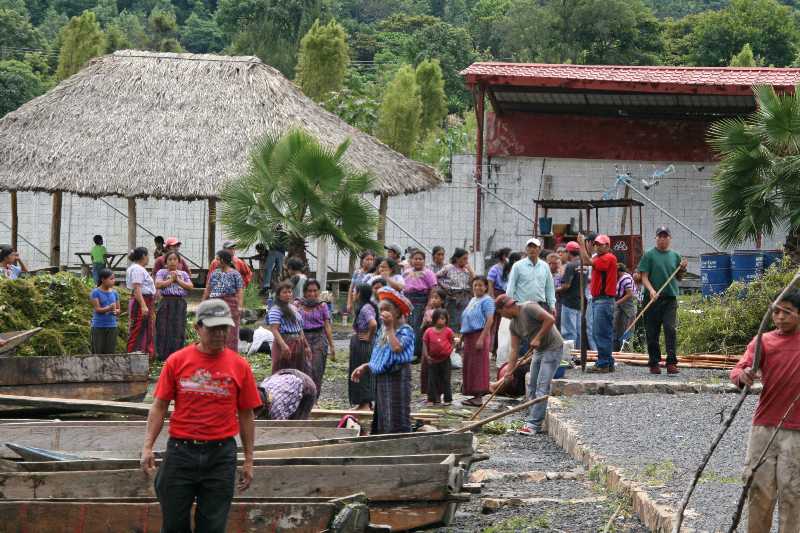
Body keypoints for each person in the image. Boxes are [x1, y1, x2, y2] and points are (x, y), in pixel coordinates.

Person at [140, 299, 261, 533]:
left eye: (224, 328)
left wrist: (248, 459)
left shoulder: (240, 366)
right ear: (197, 328)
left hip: (220, 456)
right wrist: (147, 447)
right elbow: (159, 406)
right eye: (213, 328)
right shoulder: (177, 361)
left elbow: (246, 415)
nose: (220, 334)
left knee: (213, 526)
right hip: (180, 453)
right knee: (174, 525)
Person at [730, 290, 800, 533]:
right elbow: (740, 369)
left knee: (793, 493)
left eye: (787, 311)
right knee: (758, 490)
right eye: (776, 311)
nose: (780, 317)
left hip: (797, 431)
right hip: (764, 426)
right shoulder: (764, 341)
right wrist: (743, 375)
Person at [495, 294, 564, 436]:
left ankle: (534, 424)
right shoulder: (513, 325)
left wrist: (538, 338)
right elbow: (514, 349)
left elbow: (550, 319)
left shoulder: (529, 307)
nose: (502, 316)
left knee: (542, 385)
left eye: (500, 313)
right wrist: (509, 372)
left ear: (506, 308)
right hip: (539, 350)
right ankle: (533, 419)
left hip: (552, 347)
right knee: (532, 385)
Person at [351, 288, 415, 434]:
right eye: (381, 310)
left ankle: (399, 438)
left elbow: (396, 348)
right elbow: (378, 354)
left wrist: (390, 328)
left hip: (398, 375)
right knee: (384, 409)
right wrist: (365, 366)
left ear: (398, 312)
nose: (383, 313)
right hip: (383, 376)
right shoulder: (382, 331)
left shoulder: (406, 330)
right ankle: (383, 435)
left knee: (397, 409)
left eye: (388, 309)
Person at [637, 226, 688, 375]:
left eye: (665, 236)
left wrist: (683, 268)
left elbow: (678, 277)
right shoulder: (649, 255)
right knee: (652, 332)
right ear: (656, 238)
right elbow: (644, 276)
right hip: (651, 299)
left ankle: (671, 362)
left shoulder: (676, 256)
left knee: (670, 329)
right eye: (660, 236)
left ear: (670, 239)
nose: (663, 239)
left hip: (670, 299)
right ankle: (654, 363)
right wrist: (652, 290)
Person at [578, 233, 617, 372]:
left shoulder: (608, 257)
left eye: (601, 244)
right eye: (596, 244)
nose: (598, 247)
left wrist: (581, 245)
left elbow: (587, 261)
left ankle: (603, 363)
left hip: (604, 300)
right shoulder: (600, 258)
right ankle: (608, 361)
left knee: (600, 332)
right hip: (600, 300)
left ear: (608, 246)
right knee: (601, 332)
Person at [296, 279, 335, 399]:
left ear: (318, 292)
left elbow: (327, 325)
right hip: (303, 337)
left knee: (317, 369)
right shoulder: (297, 305)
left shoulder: (322, 306)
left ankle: (314, 399)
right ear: (304, 292)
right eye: (309, 291)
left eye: (315, 291)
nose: (312, 294)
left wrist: (332, 345)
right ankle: (302, 398)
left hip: (319, 338)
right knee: (303, 368)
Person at [459, 276, 495, 406]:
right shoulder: (473, 299)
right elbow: (466, 319)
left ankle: (479, 396)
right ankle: (472, 393)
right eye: (475, 285)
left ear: (485, 287)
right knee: (470, 365)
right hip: (469, 336)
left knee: (478, 366)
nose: (478, 288)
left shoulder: (487, 301)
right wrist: (462, 338)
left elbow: (490, 320)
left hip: (479, 335)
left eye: (480, 285)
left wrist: (482, 338)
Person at [202, 250, 244, 352]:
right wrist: (203, 303)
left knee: (231, 329)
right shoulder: (214, 273)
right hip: (215, 303)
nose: (216, 261)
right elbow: (208, 289)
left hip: (230, 304)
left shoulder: (235, 274)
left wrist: (239, 306)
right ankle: (214, 349)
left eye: (217, 259)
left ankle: (230, 352)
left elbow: (240, 291)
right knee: (215, 326)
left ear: (223, 260)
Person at [155, 251, 194, 361]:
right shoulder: (162, 272)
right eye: (170, 259)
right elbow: (158, 284)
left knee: (178, 327)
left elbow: (190, 286)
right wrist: (171, 280)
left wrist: (177, 280)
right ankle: (162, 355)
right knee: (163, 327)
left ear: (179, 262)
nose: (172, 262)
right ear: (166, 262)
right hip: (166, 302)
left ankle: (177, 355)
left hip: (179, 303)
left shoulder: (183, 274)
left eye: (175, 259)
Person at [268, 281, 311, 375]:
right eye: (284, 292)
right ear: (278, 295)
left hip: (298, 342)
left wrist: (306, 346)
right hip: (284, 341)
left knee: (298, 371)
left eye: (289, 292)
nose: (288, 294)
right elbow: (274, 330)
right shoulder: (275, 310)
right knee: (282, 371)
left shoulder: (294, 308)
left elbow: (299, 328)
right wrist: (284, 346)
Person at [403, 249, 438, 360]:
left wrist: (429, 304)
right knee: (407, 326)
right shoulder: (406, 272)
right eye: (415, 259)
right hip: (407, 300)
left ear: (424, 260)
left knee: (417, 327)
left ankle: (416, 353)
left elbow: (433, 289)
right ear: (411, 260)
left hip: (421, 301)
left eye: (420, 259)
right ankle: (407, 351)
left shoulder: (428, 273)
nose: (418, 261)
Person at [506, 238, 556, 312]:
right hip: (522, 305)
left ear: (539, 249)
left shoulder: (545, 266)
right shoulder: (517, 266)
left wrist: (552, 305)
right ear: (526, 249)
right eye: (529, 247)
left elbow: (549, 287)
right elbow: (511, 286)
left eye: (535, 247)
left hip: (540, 306)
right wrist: (509, 304)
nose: (532, 249)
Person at [349, 284, 377, 410]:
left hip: (363, 344)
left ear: (360, 293)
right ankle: (361, 402)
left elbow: (373, 324)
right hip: (359, 341)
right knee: (356, 370)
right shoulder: (361, 307)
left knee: (363, 372)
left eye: (355, 291)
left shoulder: (366, 308)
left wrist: (369, 337)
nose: (353, 294)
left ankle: (366, 402)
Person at [126, 247, 155, 356]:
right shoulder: (137, 269)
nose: (148, 259)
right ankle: (132, 355)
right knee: (137, 328)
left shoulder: (137, 268)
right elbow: (137, 288)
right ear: (144, 256)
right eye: (148, 256)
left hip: (145, 300)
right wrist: (143, 305)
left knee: (145, 328)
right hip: (141, 301)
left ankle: (143, 354)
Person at [437, 248, 474, 331]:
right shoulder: (449, 267)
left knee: (463, 321)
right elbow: (437, 277)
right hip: (452, 299)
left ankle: (461, 341)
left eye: (467, 259)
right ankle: (452, 340)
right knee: (453, 321)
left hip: (465, 299)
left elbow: (473, 282)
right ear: (457, 259)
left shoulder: (467, 270)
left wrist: (471, 271)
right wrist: (445, 287)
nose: (466, 261)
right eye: (464, 258)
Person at [422, 309, 454, 406]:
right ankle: (432, 399)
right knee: (432, 379)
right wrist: (426, 355)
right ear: (434, 319)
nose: (441, 321)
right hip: (432, 360)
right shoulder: (429, 331)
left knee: (446, 379)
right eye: (439, 318)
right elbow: (425, 343)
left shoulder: (448, 331)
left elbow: (452, 342)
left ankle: (447, 399)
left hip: (445, 360)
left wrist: (450, 350)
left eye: (443, 319)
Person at [557, 242, 585, 347]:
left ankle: (570, 357)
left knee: (569, 332)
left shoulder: (571, 265)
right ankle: (577, 355)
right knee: (577, 331)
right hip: (579, 302)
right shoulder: (583, 264)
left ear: (568, 252)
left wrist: (554, 290)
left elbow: (566, 285)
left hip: (569, 302)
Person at [420, 287, 447, 394]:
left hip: (438, 342)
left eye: (436, 298)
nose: (433, 300)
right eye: (432, 298)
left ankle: (438, 390)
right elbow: (421, 327)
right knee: (426, 364)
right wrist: (425, 324)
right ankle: (427, 390)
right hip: (428, 341)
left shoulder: (443, 313)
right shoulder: (428, 312)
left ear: (442, 301)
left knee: (438, 366)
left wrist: (432, 323)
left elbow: (445, 327)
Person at [90, 268, 120, 354]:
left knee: (110, 352)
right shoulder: (95, 292)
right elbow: (97, 309)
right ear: (103, 279)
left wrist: (116, 311)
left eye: (114, 278)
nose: (113, 281)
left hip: (112, 326)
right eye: (111, 279)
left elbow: (118, 309)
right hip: (98, 326)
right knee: (98, 352)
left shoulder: (115, 293)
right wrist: (109, 308)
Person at [613, 263, 637, 352]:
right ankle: (616, 350)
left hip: (627, 305)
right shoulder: (620, 277)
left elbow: (629, 294)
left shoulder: (625, 278)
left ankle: (625, 350)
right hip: (621, 304)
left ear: (618, 272)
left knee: (627, 329)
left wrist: (617, 303)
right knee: (617, 328)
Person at [347, 250, 376, 315]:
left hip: (369, 304)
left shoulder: (374, 274)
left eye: (371, 260)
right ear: (362, 260)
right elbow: (351, 288)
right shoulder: (357, 272)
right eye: (367, 259)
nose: (369, 262)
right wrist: (349, 303)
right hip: (356, 302)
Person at [547, 252, 564, 328]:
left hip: (559, 301)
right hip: (547, 302)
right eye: (550, 263)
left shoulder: (561, 273)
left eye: (555, 263)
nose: (552, 266)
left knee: (557, 322)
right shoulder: (545, 273)